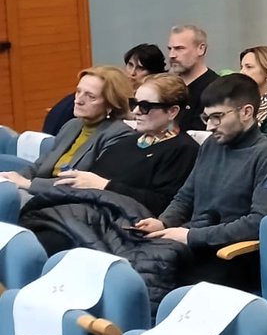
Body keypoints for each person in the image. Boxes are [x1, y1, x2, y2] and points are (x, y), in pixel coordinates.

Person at [135, 74, 267, 291]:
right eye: (206, 118)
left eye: (217, 117)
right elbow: (186, 195)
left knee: (152, 275)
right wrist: (164, 222)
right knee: (134, 260)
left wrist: (191, 236)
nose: (209, 127)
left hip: (231, 256)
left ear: (246, 112)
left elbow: (258, 222)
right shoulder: (212, 144)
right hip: (195, 244)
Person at [18, 74, 201, 254]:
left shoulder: (183, 149)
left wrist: (105, 185)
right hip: (88, 212)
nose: (135, 111)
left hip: (122, 224)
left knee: (41, 244)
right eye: (134, 104)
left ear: (172, 112)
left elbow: (163, 203)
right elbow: (90, 183)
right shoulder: (128, 141)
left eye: (145, 107)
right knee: (26, 233)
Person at [2, 66, 134, 192]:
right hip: (41, 192)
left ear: (111, 104)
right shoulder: (72, 125)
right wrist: (11, 179)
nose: (78, 100)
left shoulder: (119, 135)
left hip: (71, 202)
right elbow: (40, 165)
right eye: (78, 91)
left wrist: (29, 184)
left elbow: (82, 183)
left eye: (90, 96)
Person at [43, 44, 166, 136]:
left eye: (140, 68)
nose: (132, 73)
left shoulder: (154, 98)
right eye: (130, 65)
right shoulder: (71, 119)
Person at [167, 25, 220, 132]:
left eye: (179, 48)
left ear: (201, 49)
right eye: (170, 49)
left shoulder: (216, 89)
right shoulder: (166, 86)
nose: (172, 55)